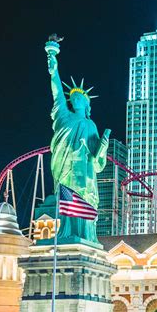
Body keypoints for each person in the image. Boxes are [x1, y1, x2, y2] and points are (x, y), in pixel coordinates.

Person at [46, 39, 110, 244]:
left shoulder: (90, 126)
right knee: (66, 199)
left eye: (80, 97)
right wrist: (53, 65)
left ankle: (85, 234)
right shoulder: (64, 116)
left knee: (84, 199)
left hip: (84, 170)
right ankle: (66, 232)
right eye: (73, 97)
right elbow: (57, 93)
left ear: (86, 103)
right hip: (66, 166)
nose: (76, 98)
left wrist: (103, 146)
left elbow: (97, 161)